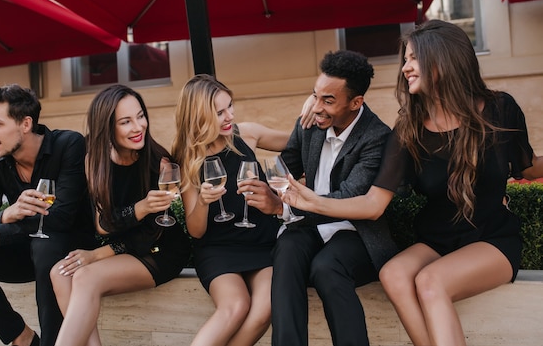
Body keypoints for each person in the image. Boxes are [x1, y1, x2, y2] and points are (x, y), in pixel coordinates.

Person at [281, 19, 543, 346]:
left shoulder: (499, 109)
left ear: (443, 59)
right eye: (405, 59)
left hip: (492, 238)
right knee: (393, 274)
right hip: (437, 240)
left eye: (413, 58)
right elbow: (373, 204)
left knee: (431, 282)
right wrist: (310, 200)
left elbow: (528, 168)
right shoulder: (409, 130)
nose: (405, 67)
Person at [0, 84, 96, 346]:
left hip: (70, 250)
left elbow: (60, 218)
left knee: (46, 244)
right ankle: (23, 339)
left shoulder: (69, 145)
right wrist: (7, 215)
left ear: (25, 124)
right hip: (26, 252)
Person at [272, 49, 399, 346]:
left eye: (328, 100)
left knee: (326, 268)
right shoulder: (311, 122)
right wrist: (270, 193)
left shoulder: (377, 137)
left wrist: (286, 209)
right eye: (315, 96)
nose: (317, 107)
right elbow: (285, 167)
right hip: (312, 226)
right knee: (287, 249)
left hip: (357, 232)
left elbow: (348, 200)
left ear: (356, 103)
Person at [49, 84, 191, 346]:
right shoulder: (95, 159)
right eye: (125, 121)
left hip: (160, 250)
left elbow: (151, 233)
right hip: (125, 250)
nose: (138, 127)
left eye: (140, 116)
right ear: (107, 127)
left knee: (85, 276)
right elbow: (103, 225)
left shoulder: (158, 163)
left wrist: (96, 255)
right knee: (60, 272)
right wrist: (141, 207)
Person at [172, 74, 283, 346]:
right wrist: (203, 202)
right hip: (218, 249)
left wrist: (313, 108)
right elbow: (196, 232)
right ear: (198, 116)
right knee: (234, 307)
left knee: (266, 308)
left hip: (261, 242)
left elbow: (301, 143)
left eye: (230, 106)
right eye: (219, 112)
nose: (228, 116)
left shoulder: (246, 134)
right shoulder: (188, 159)